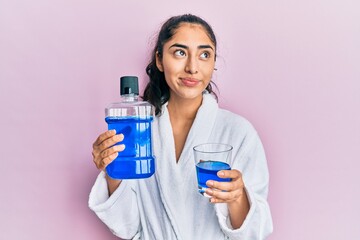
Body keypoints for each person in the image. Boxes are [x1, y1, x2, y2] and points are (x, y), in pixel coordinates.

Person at [89, 14, 273, 240]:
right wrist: (112, 171)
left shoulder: (239, 132)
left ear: (214, 63)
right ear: (159, 59)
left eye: (204, 55)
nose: (192, 67)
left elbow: (254, 232)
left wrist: (237, 198)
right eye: (180, 52)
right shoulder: (139, 130)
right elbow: (128, 226)